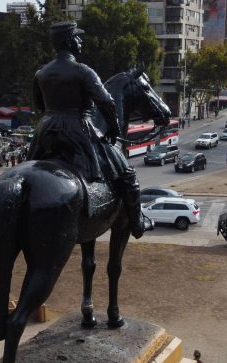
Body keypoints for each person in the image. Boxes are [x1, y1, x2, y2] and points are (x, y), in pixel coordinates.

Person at [27, 21, 153, 239]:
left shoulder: (41, 73)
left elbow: (39, 106)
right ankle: (137, 223)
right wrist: (113, 129)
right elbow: (107, 102)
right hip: (78, 129)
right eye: (77, 37)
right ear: (68, 42)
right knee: (127, 174)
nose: (80, 41)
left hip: (45, 132)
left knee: (30, 167)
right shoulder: (83, 71)